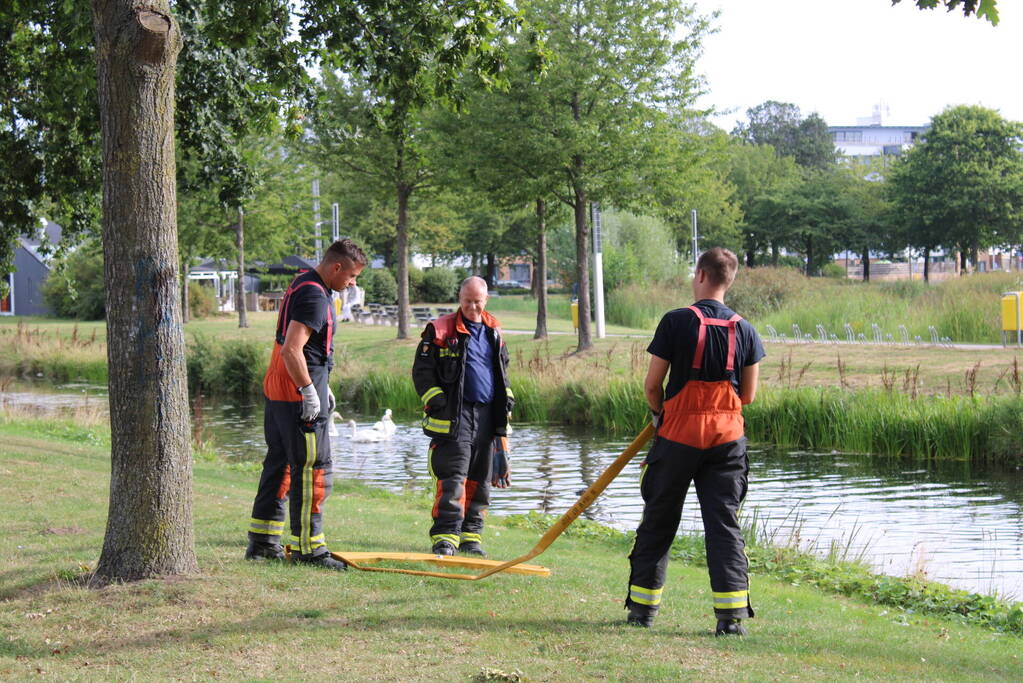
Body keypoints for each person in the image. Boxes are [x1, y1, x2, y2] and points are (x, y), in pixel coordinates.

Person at [625, 247, 764, 636]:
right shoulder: (746, 330)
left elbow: (652, 386)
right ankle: (731, 619)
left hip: (677, 436)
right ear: (729, 279)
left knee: (659, 520)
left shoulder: (676, 321)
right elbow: (748, 395)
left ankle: (642, 611)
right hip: (727, 440)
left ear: (701, 274)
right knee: (723, 525)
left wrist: (660, 415)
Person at [245, 239, 367, 570]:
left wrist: (321, 385)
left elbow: (301, 348)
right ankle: (309, 549)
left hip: (280, 385)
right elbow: (292, 349)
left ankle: (262, 542)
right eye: (352, 276)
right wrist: (310, 390)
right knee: (313, 468)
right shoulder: (314, 295)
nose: (352, 283)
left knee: (280, 464)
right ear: (336, 267)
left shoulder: (302, 282)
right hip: (297, 390)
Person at [411, 276, 514, 556]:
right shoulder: (440, 329)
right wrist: (438, 401)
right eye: (467, 301)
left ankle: (471, 538)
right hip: (455, 417)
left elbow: (502, 371)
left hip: (488, 415)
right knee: (453, 477)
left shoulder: (494, 331)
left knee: (480, 480)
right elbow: (421, 372)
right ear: (460, 298)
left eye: (477, 301)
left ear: (486, 300)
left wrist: (507, 399)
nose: (472, 307)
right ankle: (446, 538)